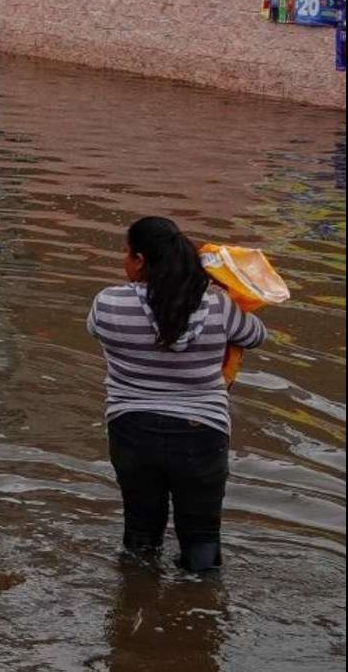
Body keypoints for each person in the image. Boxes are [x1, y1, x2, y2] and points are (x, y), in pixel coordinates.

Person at [88, 216, 266, 572]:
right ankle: (200, 614)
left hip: (132, 430)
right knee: (201, 539)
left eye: (126, 252)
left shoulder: (108, 304)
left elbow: (95, 329)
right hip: (202, 431)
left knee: (139, 536)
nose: (123, 260)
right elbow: (256, 335)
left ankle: (135, 605)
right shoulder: (217, 305)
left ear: (139, 260)